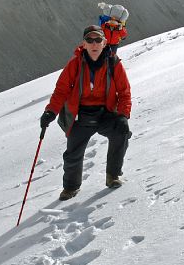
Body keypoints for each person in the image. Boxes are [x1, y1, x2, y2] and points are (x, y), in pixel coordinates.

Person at [39, 26, 132, 200]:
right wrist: (50, 112)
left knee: (122, 133)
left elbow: (124, 92)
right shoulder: (74, 65)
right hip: (80, 115)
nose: (94, 44)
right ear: (84, 44)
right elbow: (61, 91)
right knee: (73, 153)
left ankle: (113, 175)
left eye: (98, 40)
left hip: (106, 113)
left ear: (104, 43)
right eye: (90, 40)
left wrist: (122, 115)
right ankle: (71, 187)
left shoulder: (114, 63)